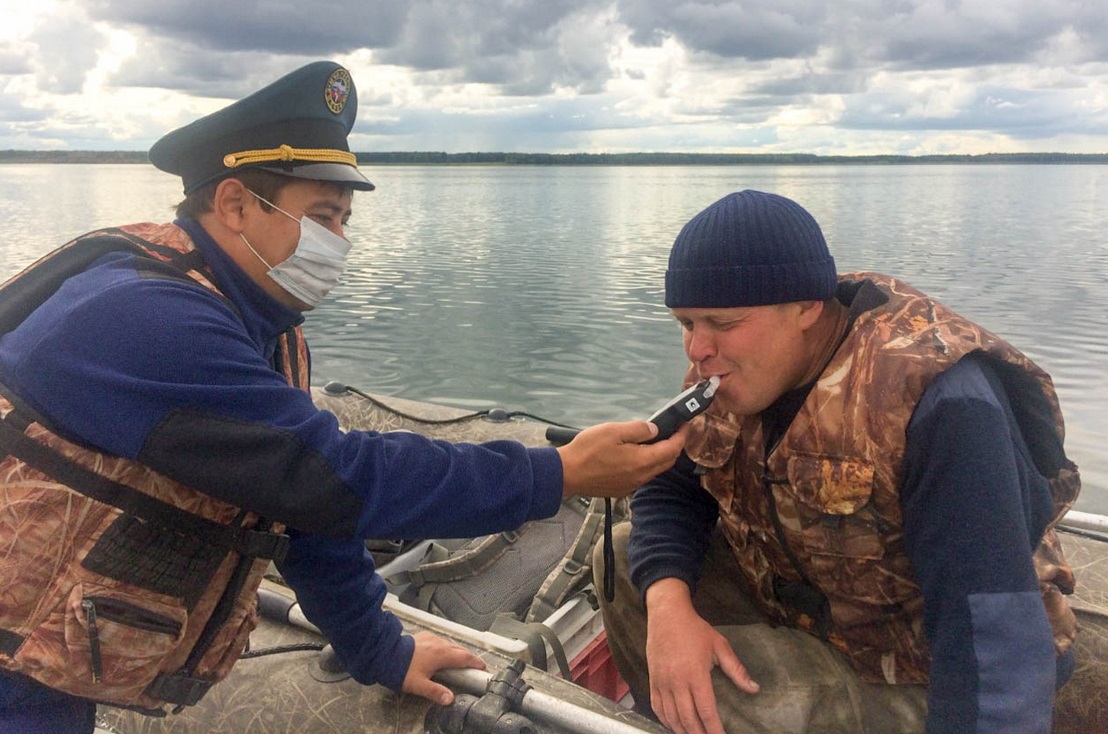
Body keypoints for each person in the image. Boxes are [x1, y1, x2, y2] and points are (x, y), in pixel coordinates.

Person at [0, 61, 685, 733]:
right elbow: (331, 480)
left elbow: (297, 510)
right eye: (324, 215)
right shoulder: (142, 314)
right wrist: (555, 473)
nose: (339, 241)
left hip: (33, 664)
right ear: (234, 204)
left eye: (344, 220)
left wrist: (381, 650)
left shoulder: (262, 329)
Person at [595, 190, 1083, 734]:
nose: (696, 349)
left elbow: (995, 645)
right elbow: (673, 489)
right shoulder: (734, 370)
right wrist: (668, 612)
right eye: (685, 323)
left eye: (721, 322)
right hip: (814, 611)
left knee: (731, 698)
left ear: (805, 307)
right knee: (622, 562)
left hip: (921, 671)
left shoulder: (939, 403)